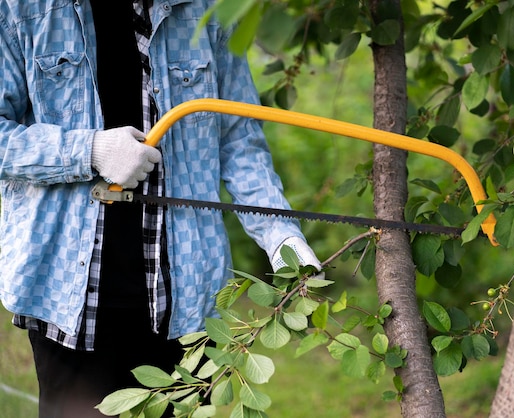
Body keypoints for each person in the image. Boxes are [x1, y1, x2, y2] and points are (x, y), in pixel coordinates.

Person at [0, 1, 322, 417]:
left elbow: (238, 136)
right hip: (67, 303)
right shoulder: (24, 8)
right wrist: (89, 150)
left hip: (186, 302)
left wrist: (282, 238)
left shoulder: (211, 10)